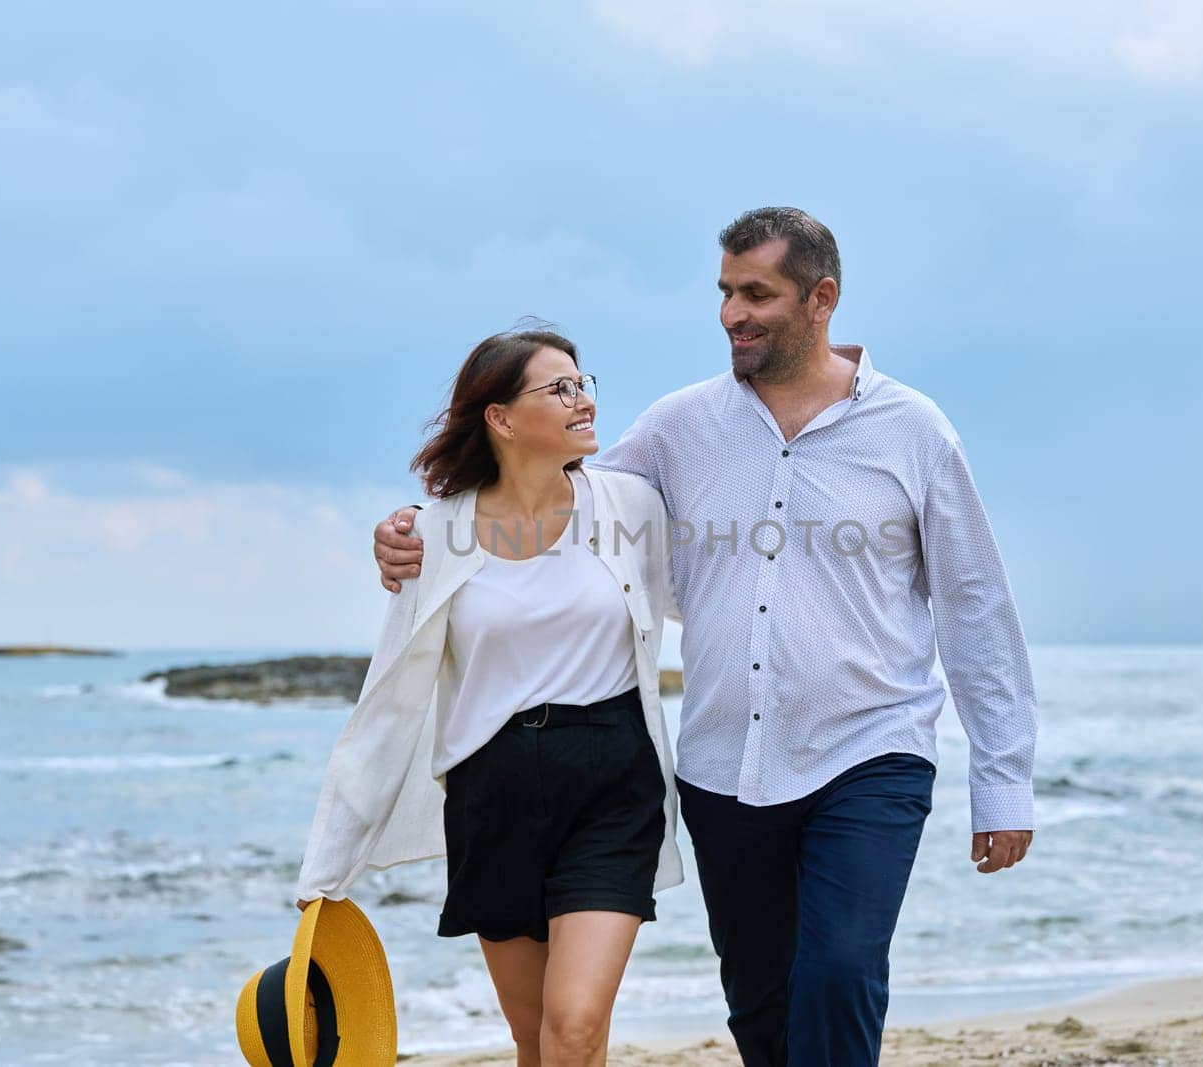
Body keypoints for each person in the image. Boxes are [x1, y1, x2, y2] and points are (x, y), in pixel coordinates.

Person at [372, 208, 1038, 1067]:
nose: (733, 313)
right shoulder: (680, 426)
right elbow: (550, 505)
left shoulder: (914, 431)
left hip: (872, 749)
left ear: (821, 298)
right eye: (726, 292)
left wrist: (1004, 779)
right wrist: (422, 535)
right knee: (760, 999)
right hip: (723, 764)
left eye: (757, 293)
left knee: (838, 970)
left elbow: (974, 600)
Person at [294, 327, 683, 1067]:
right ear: (500, 417)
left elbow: (703, 602)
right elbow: (391, 697)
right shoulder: (433, 534)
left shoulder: (631, 505)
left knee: (574, 1026)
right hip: (490, 790)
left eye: (583, 381)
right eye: (558, 387)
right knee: (533, 1038)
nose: (583, 398)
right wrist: (327, 866)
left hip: (613, 781)